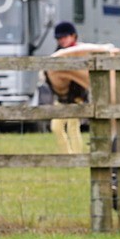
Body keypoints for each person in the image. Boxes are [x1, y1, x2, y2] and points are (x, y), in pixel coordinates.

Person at [50, 22, 83, 154]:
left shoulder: (80, 52)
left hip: (77, 95)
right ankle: (67, 154)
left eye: (64, 37)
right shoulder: (58, 54)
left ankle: (77, 155)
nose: (61, 40)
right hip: (62, 96)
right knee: (56, 127)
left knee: (73, 127)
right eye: (59, 38)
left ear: (73, 36)